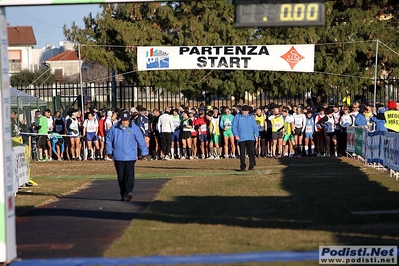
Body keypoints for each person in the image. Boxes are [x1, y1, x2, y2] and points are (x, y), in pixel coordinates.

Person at [106, 110, 148, 202]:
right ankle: (123, 193)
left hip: (130, 156)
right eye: (123, 120)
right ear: (120, 119)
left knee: (129, 174)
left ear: (129, 120)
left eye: (126, 120)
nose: (125, 122)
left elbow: (140, 140)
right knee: (121, 176)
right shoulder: (114, 128)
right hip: (118, 156)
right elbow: (108, 139)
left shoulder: (134, 128)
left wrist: (144, 152)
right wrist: (109, 151)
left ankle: (129, 191)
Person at [232, 105, 258, 171]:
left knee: (251, 152)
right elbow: (234, 126)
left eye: (247, 111)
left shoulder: (251, 117)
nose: (245, 112)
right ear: (242, 111)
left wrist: (257, 134)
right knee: (242, 153)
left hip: (250, 137)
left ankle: (252, 165)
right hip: (241, 137)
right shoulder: (237, 117)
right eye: (244, 111)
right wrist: (236, 135)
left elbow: (255, 126)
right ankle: (242, 166)